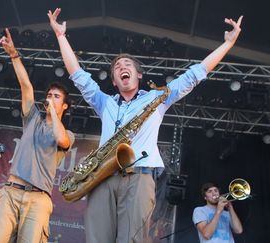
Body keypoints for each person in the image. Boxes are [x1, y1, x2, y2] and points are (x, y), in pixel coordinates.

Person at [48, 7, 243, 243]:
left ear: (138, 74)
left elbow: (194, 75)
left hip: (139, 176)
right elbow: (77, 74)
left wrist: (228, 44)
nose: (121, 67)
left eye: (127, 64)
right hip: (101, 178)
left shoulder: (156, 98)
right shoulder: (105, 102)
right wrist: (60, 36)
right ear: (114, 80)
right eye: (117, 67)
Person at [0, 28, 75, 243]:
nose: (50, 98)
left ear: (64, 106)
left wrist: (54, 114)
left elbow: (62, 140)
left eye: (56, 97)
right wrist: (13, 55)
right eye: (48, 95)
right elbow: (26, 86)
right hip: (11, 191)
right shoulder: (32, 118)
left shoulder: (67, 134)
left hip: (38, 199)